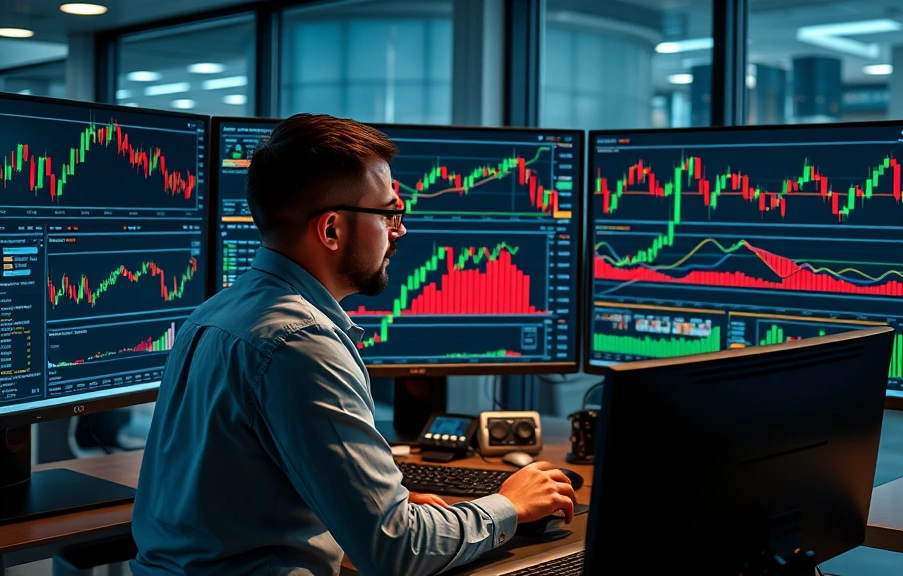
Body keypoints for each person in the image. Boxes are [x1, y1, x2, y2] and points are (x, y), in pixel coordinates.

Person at [130, 114, 577, 576]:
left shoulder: (212, 314)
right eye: (388, 214)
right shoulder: (300, 342)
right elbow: (397, 552)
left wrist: (373, 503)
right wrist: (508, 505)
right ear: (331, 230)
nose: (399, 230)